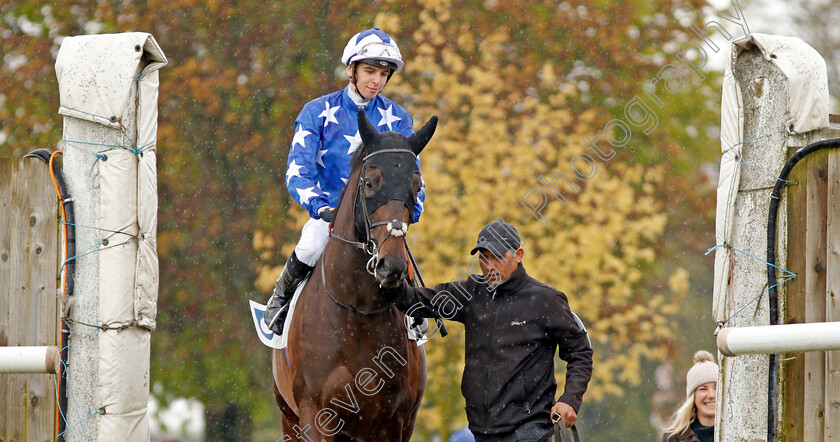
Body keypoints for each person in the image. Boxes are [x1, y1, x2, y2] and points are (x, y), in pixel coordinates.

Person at [263, 28, 425, 335]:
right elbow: (297, 170)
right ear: (351, 69)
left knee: (401, 259)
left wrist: (410, 211)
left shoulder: (399, 118)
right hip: (330, 218)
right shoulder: (316, 112)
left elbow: (414, 175)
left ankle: (416, 317)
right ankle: (279, 301)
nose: (376, 81)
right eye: (369, 71)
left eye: (383, 74)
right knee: (311, 245)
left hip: (380, 219)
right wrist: (321, 208)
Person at [388, 221, 593, 441]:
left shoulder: (547, 300)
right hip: (481, 432)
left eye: (497, 257)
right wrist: (388, 276)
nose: (489, 265)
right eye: (484, 258)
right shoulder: (471, 292)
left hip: (530, 430)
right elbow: (416, 300)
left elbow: (580, 352)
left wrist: (570, 399)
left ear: (518, 255)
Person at [662, 350, 718, 442]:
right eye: (703, 389)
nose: (711, 395)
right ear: (693, 396)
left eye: (716, 388)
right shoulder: (674, 439)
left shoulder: (739, 433)